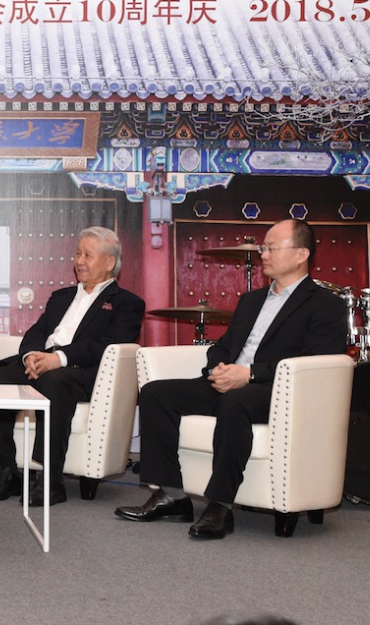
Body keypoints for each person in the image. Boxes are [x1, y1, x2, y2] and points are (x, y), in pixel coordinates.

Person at [115, 218, 348, 539]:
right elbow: (223, 347)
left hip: (278, 391)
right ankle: (172, 495)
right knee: (156, 393)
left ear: (301, 254)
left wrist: (249, 374)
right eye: (263, 248)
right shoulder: (251, 300)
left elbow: (316, 361)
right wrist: (219, 370)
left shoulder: (325, 304)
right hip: (230, 383)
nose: (263, 254)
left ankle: (220, 505)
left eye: (272, 248)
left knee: (235, 402)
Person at [0, 226, 144, 507]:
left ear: (109, 262)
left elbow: (108, 344)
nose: (79, 261)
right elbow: (37, 331)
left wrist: (60, 358)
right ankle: (8, 469)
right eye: (78, 254)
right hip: (43, 363)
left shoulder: (127, 303)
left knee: (54, 381)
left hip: (80, 372)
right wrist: (31, 356)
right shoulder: (62, 296)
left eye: (88, 255)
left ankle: (51, 480)